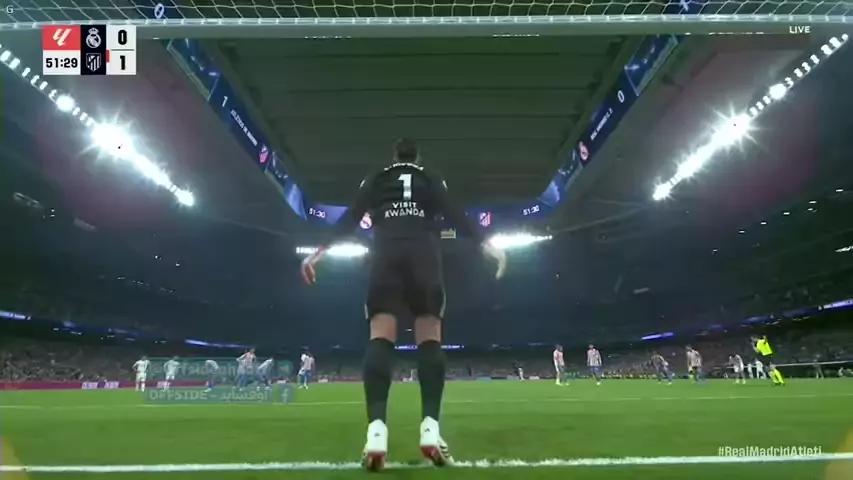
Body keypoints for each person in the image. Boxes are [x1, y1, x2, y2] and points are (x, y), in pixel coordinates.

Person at [300, 138, 507, 471]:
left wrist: (318, 252)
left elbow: (351, 216)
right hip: (424, 258)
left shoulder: (378, 177)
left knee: (380, 335)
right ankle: (430, 429)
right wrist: (487, 244)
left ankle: (376, 432)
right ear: (417, 158)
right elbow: (454, 211)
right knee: (430, 335)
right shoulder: (429, 176)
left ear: (394, 157)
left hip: (386, 257)